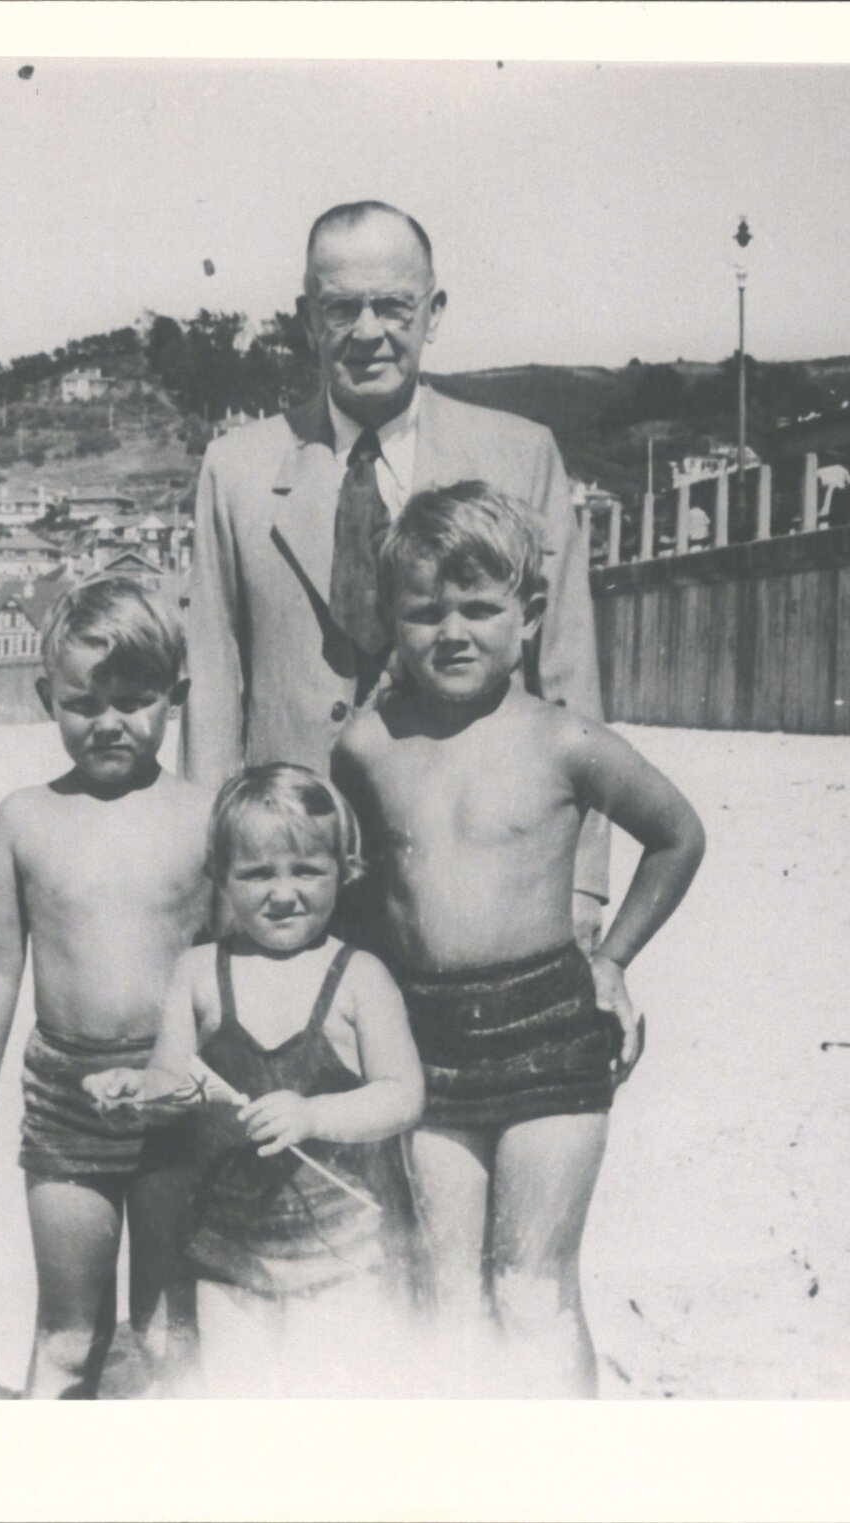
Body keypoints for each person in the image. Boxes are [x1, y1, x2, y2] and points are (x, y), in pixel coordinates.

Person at [330, 482, 706, 1397]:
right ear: (390, 619)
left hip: (550, 1036)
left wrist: (611, 958)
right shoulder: (366, 747)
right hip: (426, 1049)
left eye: (479, 607)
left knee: (531, 1288)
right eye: (423, 611)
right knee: (449, 1294)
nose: (451, 631)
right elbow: (352, 890)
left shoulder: (562, 740)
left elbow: (677, 834)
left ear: (528, 615)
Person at [180, 199, 612, 951]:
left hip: (476, 860)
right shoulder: (237, 470)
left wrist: (581, 881)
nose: (368, 331)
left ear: (433, 311)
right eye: (341, 307)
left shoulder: (520, 455)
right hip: (291, 879)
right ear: (307, 320)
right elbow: (213, 693)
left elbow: (569, 681)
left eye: (393, 305)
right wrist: (211, 881)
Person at [0, 577, 214, 1398]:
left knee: (170, 1328)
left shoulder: (207, 815)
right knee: (68, 1331)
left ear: (176, 696)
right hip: (65, 1095)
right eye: (82, 702)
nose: (108, 723)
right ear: (45, 698)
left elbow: (243, 963)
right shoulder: (25, 818)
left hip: (178, 1094)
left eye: (134, 700)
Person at [83, 764, 425, 1396]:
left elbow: (404, 1095)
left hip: (343, 1260)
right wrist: (137, 1090)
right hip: (230, 1262)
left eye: (307, 870)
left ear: (344, 870)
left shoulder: (359, 976)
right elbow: (175, 1079)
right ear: (221, 877)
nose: (284, 892)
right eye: (258, 873)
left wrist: (315, 1115)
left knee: (330, 1415)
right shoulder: (198, 972)